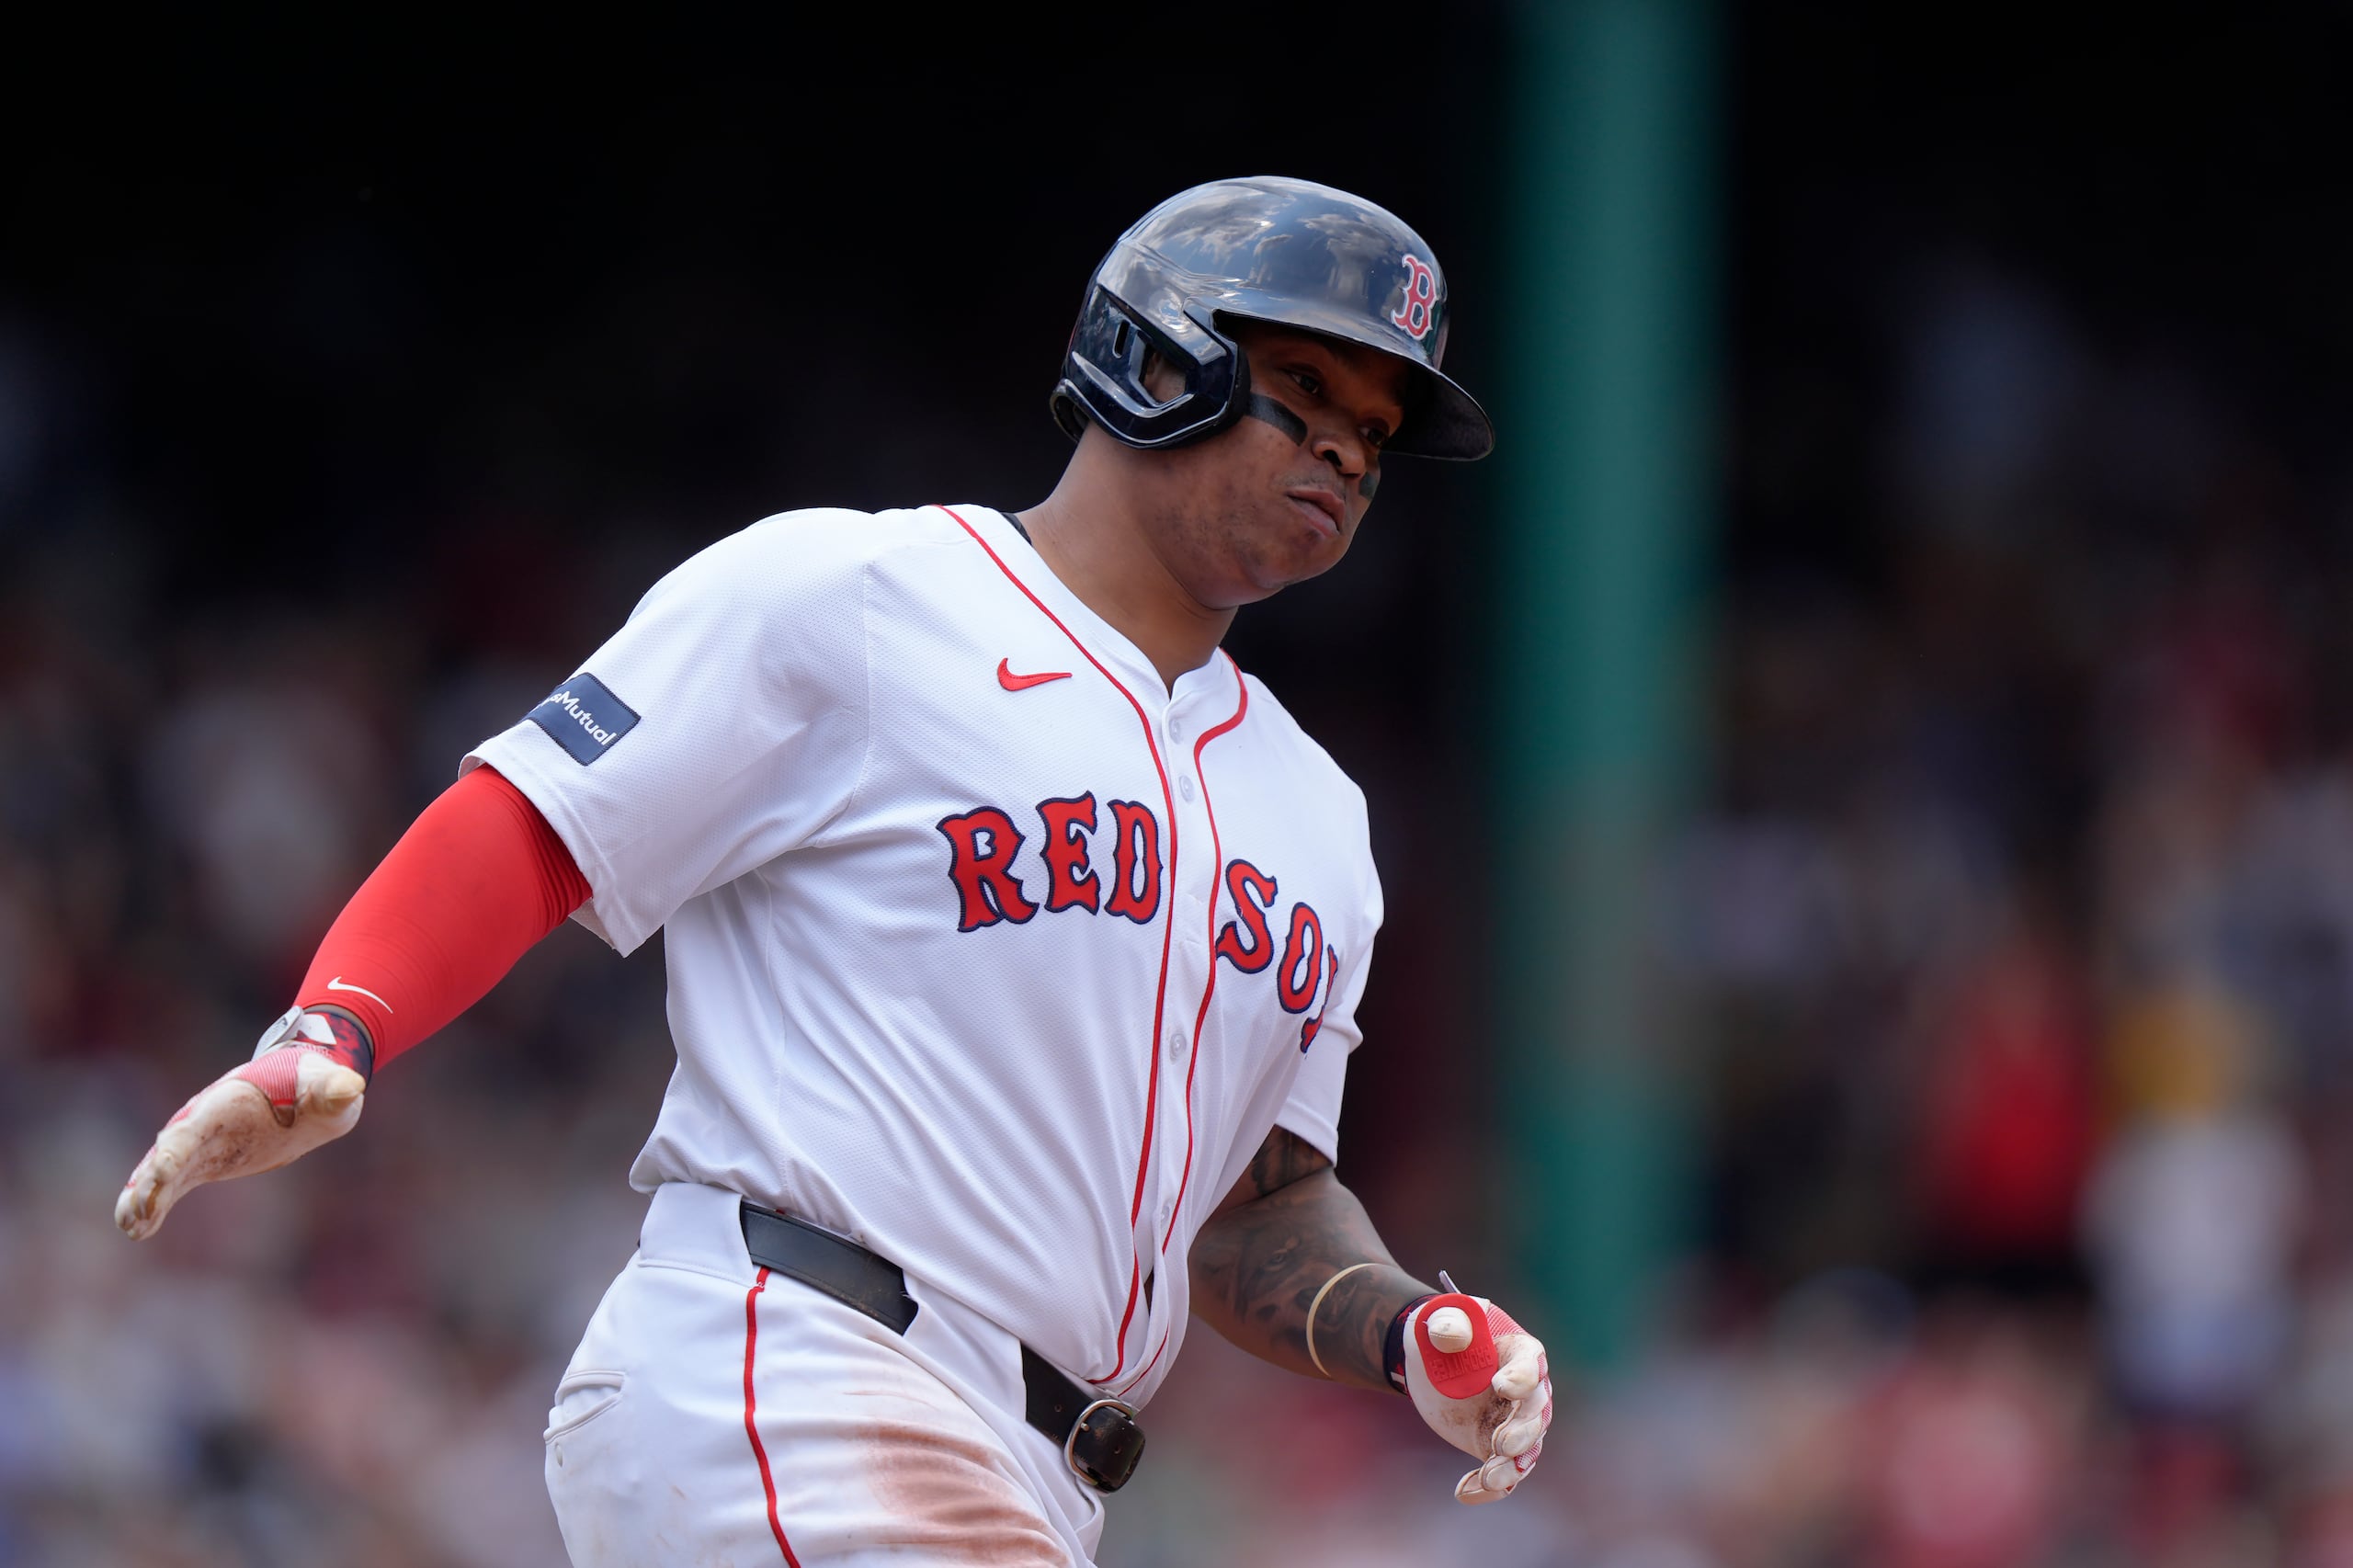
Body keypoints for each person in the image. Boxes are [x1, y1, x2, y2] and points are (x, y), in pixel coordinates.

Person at [112, 175, 1553, 1567]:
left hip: (1034, 1464)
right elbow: (544, 819)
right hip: (794, 1364)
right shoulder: (862, 599)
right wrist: (339, 1019)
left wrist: (1397, 1325)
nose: (1348, 455)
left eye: (1375, 430)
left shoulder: (1318, 815)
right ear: (1155, 354)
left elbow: (1251, 1206)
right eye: (1305, 390)